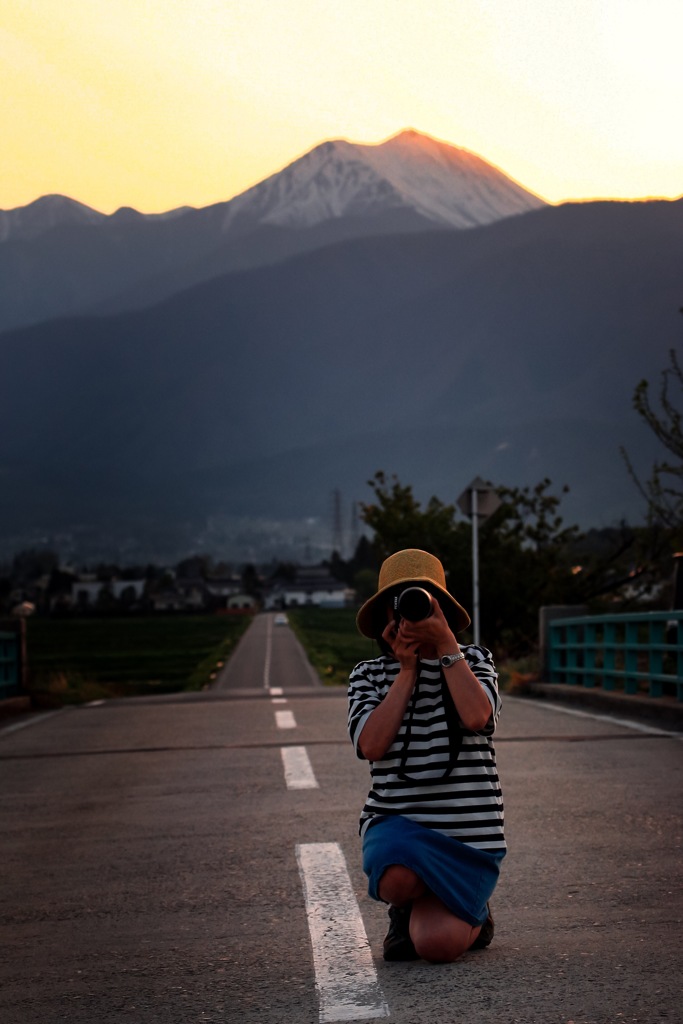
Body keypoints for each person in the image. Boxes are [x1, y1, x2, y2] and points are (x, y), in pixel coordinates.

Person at [347, 548, 506, 963]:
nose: (411, 616)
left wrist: (446, 644)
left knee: (437, 948)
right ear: (386, 614)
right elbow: (372, 746)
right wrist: (406, 672)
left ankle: (474, 911)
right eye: (400, 604)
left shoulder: (474, 660)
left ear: (444, 610)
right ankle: (405, 907)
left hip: (466, 840)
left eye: (421, 602)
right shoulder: (368, 675)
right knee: (396, 877)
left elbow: (476, 716)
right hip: (400, 826)